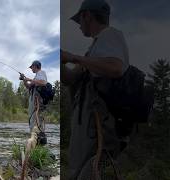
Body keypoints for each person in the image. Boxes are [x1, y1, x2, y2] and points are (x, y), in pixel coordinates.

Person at [61, 0, 129, 179]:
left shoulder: (110, 34)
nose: (79, 26)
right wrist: (60, 59)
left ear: (87, 16)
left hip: (98, 127)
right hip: (87, 126)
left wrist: (74, 57)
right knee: (79, 171)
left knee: (91, 171)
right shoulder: (94, 49)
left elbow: (116, 67)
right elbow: (70, 79)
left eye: (79, 20)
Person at [21, 60, 47, 133]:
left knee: (36, 119)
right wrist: (24, 79)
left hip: (38, 102)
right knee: (33, 119)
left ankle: (38, 138)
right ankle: (35, 139)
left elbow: (43, 83)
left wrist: (29, 79)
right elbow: (28, 87)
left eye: (31, 67)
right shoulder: (37, 76)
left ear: (35, 66)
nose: (31, 69)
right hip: (34, 101)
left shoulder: (41, 72)